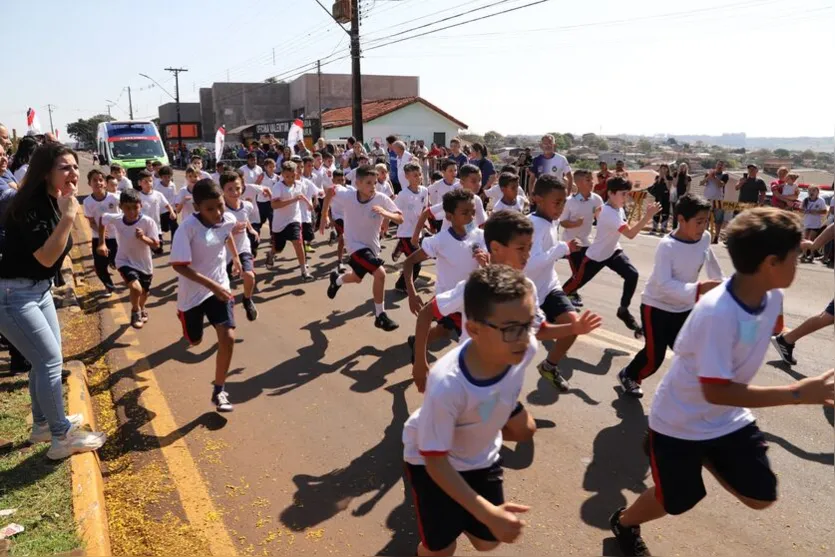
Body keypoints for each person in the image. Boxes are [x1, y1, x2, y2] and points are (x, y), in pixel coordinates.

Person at [609, 208, 834, 557]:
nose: (800, 260)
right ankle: (623, 523)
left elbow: (753, 340)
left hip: (725, 417)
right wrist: (799, 392)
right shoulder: (719, 312)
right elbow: (716, 390)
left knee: (761, 495)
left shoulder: (771, 294)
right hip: (681, 421)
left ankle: (705, 454)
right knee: (678, 500)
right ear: (771, 262)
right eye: (795, 255)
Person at [402, 265, 538, 557]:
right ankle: (453, 516)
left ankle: (463, 510)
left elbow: (498, 386)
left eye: (529, 324)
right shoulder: (446, 385)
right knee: (440, 549)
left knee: (487, 543)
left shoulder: (524, 348)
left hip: (480, 456)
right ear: (473, 330)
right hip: (431, 463)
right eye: (512, 329)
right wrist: (487, 512)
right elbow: (435, 462)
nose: (525, 338)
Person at [411, 211, 601, 391]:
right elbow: (426, 313)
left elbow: (537, 329)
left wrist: (574, 328)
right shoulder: (476, 287)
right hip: (466, 383)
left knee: (521, 427)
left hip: (500, 385)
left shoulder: (527, 287)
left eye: (530, 247)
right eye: (521, 248)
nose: (527, 255)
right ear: (495, 248)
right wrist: (420, 362)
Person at [0, 143, 106, 459]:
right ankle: (61, 439)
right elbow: (47, 257)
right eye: (65, 167)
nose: (73, 173)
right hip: (14, 295)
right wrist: (68, 216)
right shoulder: (32, 205)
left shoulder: (53, 199)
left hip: (38, 290)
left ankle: (44, 425)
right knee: (48, 362)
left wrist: (65, 210)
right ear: (46, 172)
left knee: (43, 360)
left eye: (75, 166)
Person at [616, 194, 724, 397]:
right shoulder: (667, 246)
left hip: (684, 308)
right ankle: (629, 375)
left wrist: (724, 285)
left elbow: (710, 261)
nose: (703, 228)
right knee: (654, 357)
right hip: (656, 306)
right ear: (681, 219)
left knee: (690, 352)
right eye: (699, 222)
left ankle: (688, 394)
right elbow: (664, 284)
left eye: (706, 221)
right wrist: (699, 288)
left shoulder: (705, 238)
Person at [170, 179, 242, 413]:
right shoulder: (187, 228)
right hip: (192, 294)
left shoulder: (227, 219)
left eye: (220, 205)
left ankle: (219, 389)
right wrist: (211, 285)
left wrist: (237, 258)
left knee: (228, 337)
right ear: (197, 207)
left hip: (219, 287)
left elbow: (226, 233)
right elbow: (179, 266)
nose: (218, 212)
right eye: (210, 208)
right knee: (195, 341)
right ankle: (184, 317)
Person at [562, 177, 661, 335]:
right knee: (572, 286)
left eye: (627, 194)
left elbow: (598, 212)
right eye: (623, 194)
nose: (626, 197)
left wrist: (597, 213)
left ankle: (623, 310)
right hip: (596, 256)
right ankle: (550, 305)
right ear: (611, 193)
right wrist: (648, 216)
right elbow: (630, 234)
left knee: (632, 275)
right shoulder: (610, 212)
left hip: (613, 251)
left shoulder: (616, 208)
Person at [320, 165, 404, 331]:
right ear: (357, 183)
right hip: (354, 245)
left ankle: (336, 280)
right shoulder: (348, 195)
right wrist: (324, 215)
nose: (373, 186)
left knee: (357, 278)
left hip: (372, 246)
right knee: (380, 274)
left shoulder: (381, 198)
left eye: (374, 182)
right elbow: (330, 190)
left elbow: (400, 218)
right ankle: (380, 316)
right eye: (368, 183)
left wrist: (385, 213)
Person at [403, 188, 488, 350]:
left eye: (473, 212)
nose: (471, 217)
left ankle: (417, 342)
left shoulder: (479, 235)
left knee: (443, 331)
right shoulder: (440, 241)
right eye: (465, 213)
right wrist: (412, 294)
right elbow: (409, 262)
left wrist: (486, 263)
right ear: (449, 217)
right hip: (450, 300)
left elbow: (490, 267)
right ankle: (421, 354)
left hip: (471, 301)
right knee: (474, 344)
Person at [98, 189, 160, 328]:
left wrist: (143, 237)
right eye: (127, 208)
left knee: (144, 292)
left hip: (144, 264)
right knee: (136, 289)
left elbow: (156, 245)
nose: (132, 212)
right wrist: (101, 242)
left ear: (141, 206)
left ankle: (141, 308)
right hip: (124, 261)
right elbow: (103, 219)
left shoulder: (148, 222)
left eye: (135, 208)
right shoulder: (117, 219)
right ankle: (135, 311)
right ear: (121, 207)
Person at [411, 164, 488, 243]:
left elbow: (482, 223)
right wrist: (415, 236)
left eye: (480, 180)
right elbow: (427, 212)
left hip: (464, 243)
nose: (478, 184)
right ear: (462, 182)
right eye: (474, 181)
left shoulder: (477, 200)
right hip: (446, 242)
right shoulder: (454, 199)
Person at [560, 169, 603, 308]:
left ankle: (568, 293)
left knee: (582, 273)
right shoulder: (569, 202)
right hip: (571, 242)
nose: (592, 182)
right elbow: (563, 222)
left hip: (587, 242)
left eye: (591, 179)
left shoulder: (596, 199)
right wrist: (575, 224)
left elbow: (601, 218)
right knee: (578, 272)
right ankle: (566, 295)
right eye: (588, 180)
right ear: (578, 182)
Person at [219, 172, 259, 321]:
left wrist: (251, 229)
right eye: (230, 189)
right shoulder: (219, 209)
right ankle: (223, 312)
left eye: (237, 188)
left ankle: (247, 299)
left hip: (243, 247)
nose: (235, 192)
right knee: (224, 288)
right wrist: (230, 231)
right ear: (222, 189)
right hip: (223, 252)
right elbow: (210, 234)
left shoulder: (247, 205)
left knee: (249, 275)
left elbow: (244, 217)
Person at [269, 161, 315, 281]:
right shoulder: (278, 187)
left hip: (294, 219)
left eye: (293, 176)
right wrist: (293, 200)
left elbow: (299, 195)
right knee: (278, 248)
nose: (290, 179)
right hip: (279, 223)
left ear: (297, 173)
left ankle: (304, 271)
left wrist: (308, 203)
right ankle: (271, 253)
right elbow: (274, 205)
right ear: (283, 175)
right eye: (287, 176)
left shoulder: (299, 184)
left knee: (298, 242)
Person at [83, 169, 120, 296]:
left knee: (117, 262)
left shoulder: (115, 198)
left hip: (116, 237)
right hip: (98, 238)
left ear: (105, 183)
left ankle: (114, 263)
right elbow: (91, 221)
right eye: (94, 180)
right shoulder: (87, 202)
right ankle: (109, 287)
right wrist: (100, 234)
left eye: (100, 180)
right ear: (89, 183)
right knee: (99, 266)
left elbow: (124, 213)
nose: (98, 182)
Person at [392, 162, 429, 288]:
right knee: (415, 262)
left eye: (419, 175)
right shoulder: (403, 195)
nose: (419, 177)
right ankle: (401, 285)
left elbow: (425, 208)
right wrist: (383, 226)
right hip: (406, 233)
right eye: (415, 175)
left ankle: (401, 246)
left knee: (416, 259)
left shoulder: (424, 191)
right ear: (407, 176)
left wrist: (426, 223)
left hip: (417, 232)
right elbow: (393, 211)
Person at [136, 170, 174, 255]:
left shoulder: (158, 194)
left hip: (156, 228)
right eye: (145, 181)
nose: (149, 183)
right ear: (139, 183)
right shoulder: (137, 196)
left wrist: (172, 212)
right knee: (144, 251)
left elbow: (167, 204)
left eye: (150, 181)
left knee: (158, 249)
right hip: (143, 229)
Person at [700, 160, 730, 243]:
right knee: (706, 218)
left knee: (718, 220)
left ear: (723, 167)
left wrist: (714, 177)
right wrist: (708, 177)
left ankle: (716, 237)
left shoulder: (725, 175)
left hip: (719, 200)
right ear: (715, 165)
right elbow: (701, 183)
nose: (719, 166)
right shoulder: (708, 174)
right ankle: (704, 236)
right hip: (708, 199)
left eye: (721, 165)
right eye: (718, 164)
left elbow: (720, 185)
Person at [298, 156, 323, 254]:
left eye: (312, 165)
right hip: (301, 205)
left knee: (313, 223)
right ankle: (303, 245)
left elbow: (315, 189)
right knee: (305, 225)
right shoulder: (300, 178)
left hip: (311, 202)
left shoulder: (314, 176)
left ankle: (307, 244)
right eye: (309, 165)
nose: (311, 167)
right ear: (303, 166)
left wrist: (316, 199)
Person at [426, 160, 461, 232]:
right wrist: (428, 203)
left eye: (455, 170)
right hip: (441, 218)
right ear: (443, 172)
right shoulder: (438, 184)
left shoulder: (460, 183)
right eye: (450, 171)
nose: (454, 173)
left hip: (456, 218)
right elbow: (426, 192)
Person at [256, 158, 279, 264]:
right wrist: (262, 191)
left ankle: (272, 237)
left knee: (273, 219)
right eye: (270, 166)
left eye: (273, 166)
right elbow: (256, 185)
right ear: (265, 167)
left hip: (271, 201)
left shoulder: (276, 177)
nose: (272, 168)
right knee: (260, 220)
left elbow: (279, 186)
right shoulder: (262, 176)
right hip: (261, 201)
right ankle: (256, 235)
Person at [799, 185, 828, 262]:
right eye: (810, 191)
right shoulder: (805, 200)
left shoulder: (820, 200)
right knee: (805, 238)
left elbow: (824, 211)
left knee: (812, 239)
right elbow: (801, 209)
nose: (811, 192)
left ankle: (811, 255)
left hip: (815, 223)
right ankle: (804, 254)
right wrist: (805, 210)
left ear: (817, 192)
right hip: (807, 222)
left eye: (813, 191)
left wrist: (816, 212)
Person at [155, 166, 179, 244]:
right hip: (162, 211)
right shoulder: (157, 187)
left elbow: (174, 196)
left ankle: (174, 243)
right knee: (164, 228)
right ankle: (159, 240)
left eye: (169, 176)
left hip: (171, 210)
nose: (167, 179)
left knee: (174, 226)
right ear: (161, 177)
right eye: (165, 177)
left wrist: (175, 208)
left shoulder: (172, 185)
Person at [649, 164, 673, 234]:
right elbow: (656, 185)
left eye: (665, 168)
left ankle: (663, 228)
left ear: (668, 169)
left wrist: (665, 178)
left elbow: (669, 188)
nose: (663, 170)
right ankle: (654, 227)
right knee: (656, 212)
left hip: (666, 196)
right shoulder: (657, 177)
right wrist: (660, 177)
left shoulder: (670, 178)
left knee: (665, 212)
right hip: (658, 196)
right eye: (662, 168)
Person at [670, 163, 691, 229]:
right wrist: (678, 175)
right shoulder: (675, 174)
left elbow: (688, 189)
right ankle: (674, 228)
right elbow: (674, 184)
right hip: (675, 196)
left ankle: (682, 228)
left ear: (686, 168)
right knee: (675, 214)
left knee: (682, 214)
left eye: (684, 167)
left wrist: (683, 195)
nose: (682, 168)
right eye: (681, 166)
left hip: (683, 197)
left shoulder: (688, 177)